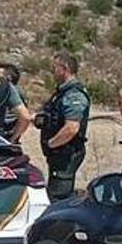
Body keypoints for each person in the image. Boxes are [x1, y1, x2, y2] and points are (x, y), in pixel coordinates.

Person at [37, 53, 90, 201]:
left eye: (54, 68)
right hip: (59, 154)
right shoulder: (61, 93)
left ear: (65, 68)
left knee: (59, 197)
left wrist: (51, 144)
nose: (52, 72)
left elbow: (71, 128)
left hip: (66, 153)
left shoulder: (74, 94)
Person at [0, 62, 26, 142]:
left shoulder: (11, 93)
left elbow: (24, 118)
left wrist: (12, 139)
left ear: (8, 78)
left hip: (4, 135)